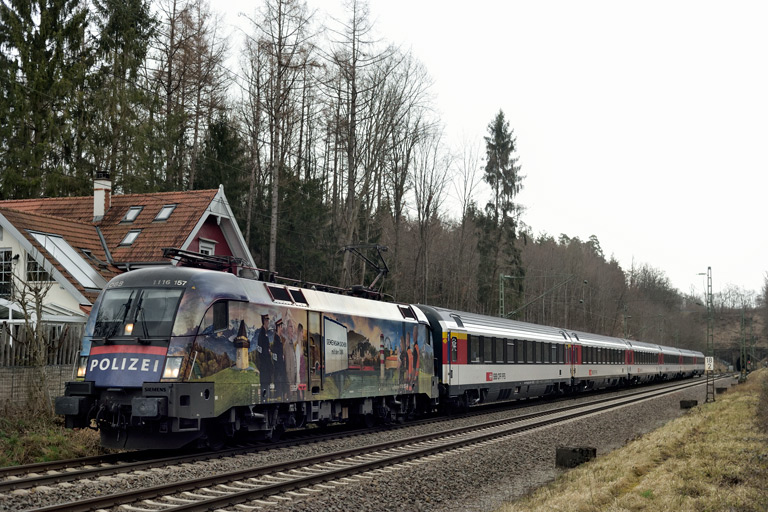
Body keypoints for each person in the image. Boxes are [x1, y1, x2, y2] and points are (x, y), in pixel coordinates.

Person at [256, 314, 273, 400]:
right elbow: (263, 354)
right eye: (268, 321)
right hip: (265, 370)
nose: (269, 322)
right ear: (265, 321)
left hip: (264, 370)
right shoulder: (262, 336)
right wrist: (270, 367)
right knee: (265, 395)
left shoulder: (262, 335)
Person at [273, 319, 287, 400]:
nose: (282, 329)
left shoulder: (278, 340)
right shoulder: (276, 341)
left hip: (279, 373)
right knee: (278, 394)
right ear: (278, 327)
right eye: (281, 327)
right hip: (279, 374)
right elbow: (276, 358)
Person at [284, 320, 297, 400]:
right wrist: (290, 383)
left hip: (294, 380)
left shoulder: (292, 344)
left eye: (293, 326)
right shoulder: (287, 344)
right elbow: (287, 365)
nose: (292, 329)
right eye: (290, 326)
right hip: (291, 381)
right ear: (287, 329)